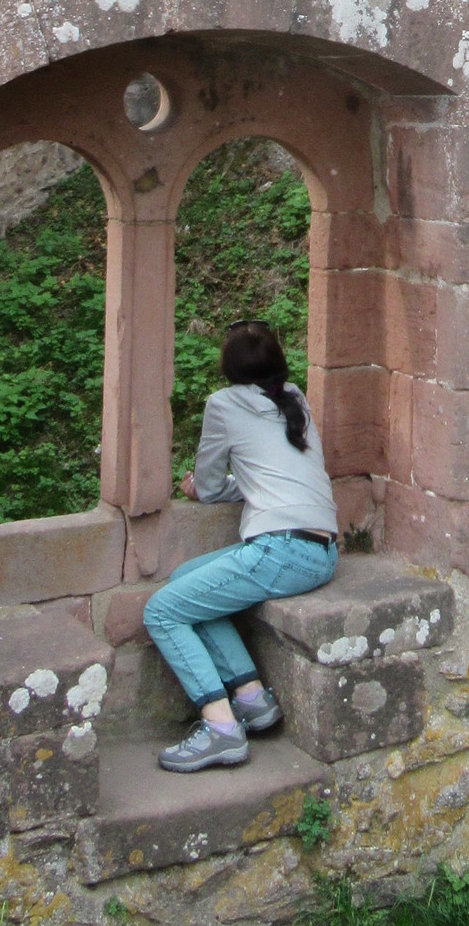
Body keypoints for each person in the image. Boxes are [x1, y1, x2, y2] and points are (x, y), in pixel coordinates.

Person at [144, 318, 339, 773]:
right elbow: (277, 477)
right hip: (322, 549)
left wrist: (203, 489)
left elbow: (210, 486)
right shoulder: (296, 398)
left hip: (282, 550)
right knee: (185, 581)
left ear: (229, 370)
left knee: (162, 611)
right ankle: (251, 698)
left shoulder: (223, 405)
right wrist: (243, 485)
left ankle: (222, 729)